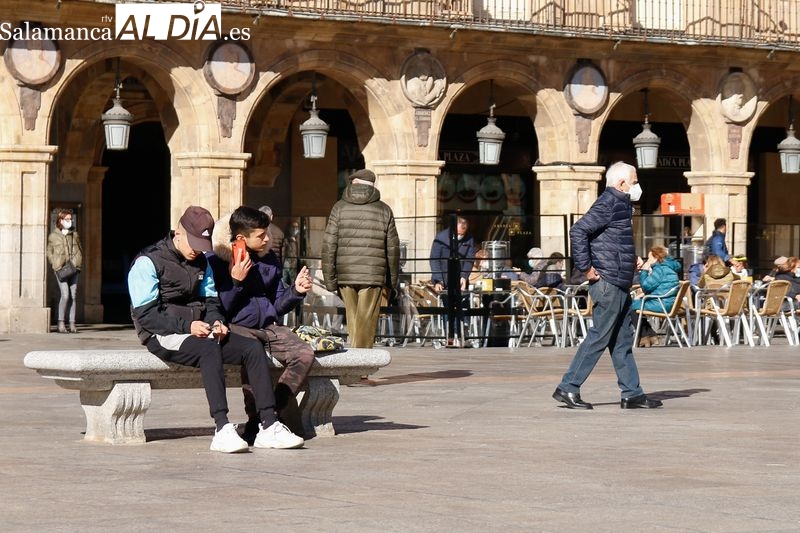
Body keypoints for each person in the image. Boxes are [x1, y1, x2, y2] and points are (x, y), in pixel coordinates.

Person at [128, 205, 304, 453]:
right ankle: (222, 428)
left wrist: (217, 322)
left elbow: (211, 302)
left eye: (203, 244)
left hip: (200, 330)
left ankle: (268, 424)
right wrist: (187, 326)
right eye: (194, 243)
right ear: (178, 233)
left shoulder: (203, 262)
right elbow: (146, 316)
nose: (197, 250)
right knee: (209, 348)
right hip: (163, 335)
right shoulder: (147, 262)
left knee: (252, 347)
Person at [553, 162, 662, 410]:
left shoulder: (621, 204)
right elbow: (578, 231)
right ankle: (568, 388)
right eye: (634, 181)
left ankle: (632, 393)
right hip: (608, 283)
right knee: (599, 337)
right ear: (621, 183)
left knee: (622, 340)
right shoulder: (609, 202)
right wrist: (587, 269)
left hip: (620, 282)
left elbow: (610, 241)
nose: (637, 186)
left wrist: (630, 259)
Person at [209, 206, 315, 444]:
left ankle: (271, 413)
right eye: (260, 235)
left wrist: (295, 292)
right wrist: (235, 282)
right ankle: (259, 419)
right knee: (251, 350)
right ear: (240, 238)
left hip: (269, 326)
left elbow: (277, 305)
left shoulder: (269, 259)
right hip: (235, 326)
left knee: (305, 353)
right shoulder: (215, 262)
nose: (267, 238)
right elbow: (216, 308)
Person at [322, 169, 400, 348]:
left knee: (353, 318)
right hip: (373, 273)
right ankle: (361, 366)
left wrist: (330, 280)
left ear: (354, 182)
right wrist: (391, 281)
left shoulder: (339, 207)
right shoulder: (384, 209)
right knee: (366, 319)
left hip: (345, 272)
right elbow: (393, 249)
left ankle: (355, 365)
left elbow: (328, 245)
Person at [631, 245, 681, 348]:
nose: (648, 261)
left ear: (656, 257)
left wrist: (644, 271)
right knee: (636, 305)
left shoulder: (659, 269)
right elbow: (660, 287)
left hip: (661, 303)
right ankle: (651, 335)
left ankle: (645, 336)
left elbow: (645, 286)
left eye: (649, 258)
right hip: (668, 302)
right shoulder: (669, 268)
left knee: (630, 307)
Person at [46, 209, 83, 334]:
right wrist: (54, 264)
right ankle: (60, 323)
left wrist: (78, 261)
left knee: (73, 295)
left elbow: (80, 249)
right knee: (65, 294)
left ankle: (72, 324)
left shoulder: (74, 234)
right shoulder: (53, 236)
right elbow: (49, 252)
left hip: (73, 268)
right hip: (61, 269)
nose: (70, 221)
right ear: (61, 220)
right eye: (67, 219)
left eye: (70, 219)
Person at [429, 216, 476, 293]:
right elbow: (434, 260)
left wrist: (464, 276)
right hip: (442, 280)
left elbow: (469, 260)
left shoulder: (469, 239)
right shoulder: (440, 237)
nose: (460, 236)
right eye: (458, 233)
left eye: (462, 234)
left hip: (460, 281)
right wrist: (439, 280)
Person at [282, 219, 300, 286]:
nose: (295, 229)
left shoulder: (296, 240)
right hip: (287, 264)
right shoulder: (286, 239)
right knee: (285, 282)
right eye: (293, 227)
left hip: (294, 264)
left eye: (297, 227)